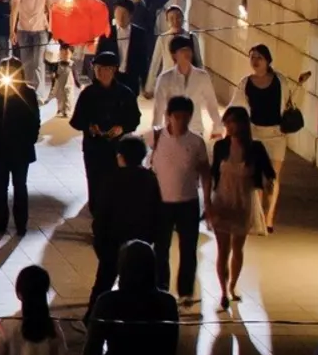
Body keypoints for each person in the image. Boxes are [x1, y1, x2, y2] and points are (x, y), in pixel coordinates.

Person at [228, 43, 306, 231]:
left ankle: (269, 217)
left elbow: (289, 103)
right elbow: (234, 106)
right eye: (252, 57)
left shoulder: (280, 80)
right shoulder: (245, 83)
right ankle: (258, 217)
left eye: (259, 58)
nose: (255, 61)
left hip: (276, 135)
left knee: (272, 178)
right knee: (256, 178)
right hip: (255, 134)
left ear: (267, 61)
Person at [208, 105, 275, 312]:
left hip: (243, 201)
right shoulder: (220, 146)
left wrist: (266, 185)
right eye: (226, 122)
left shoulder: (255, 148)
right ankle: (222, 291)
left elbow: (269, 173)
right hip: (223, 199)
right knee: (222, 249)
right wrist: (209, 204)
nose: (228, 126)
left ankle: (233, 285)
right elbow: (212, 174)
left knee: (237, 247)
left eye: (232, 122)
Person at [149, 95, 212, 306]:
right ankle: (161, 289)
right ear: (168, 116)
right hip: (161, 203)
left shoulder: (196, 142)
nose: (181, 121)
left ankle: (185, 292)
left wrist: (209, 202)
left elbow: (205, 172)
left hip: (188, 202)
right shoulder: (156, 137)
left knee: (188, 249)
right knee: (160, 248)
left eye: (186, 117)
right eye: (177, 116)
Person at [0, 55, 41, 236]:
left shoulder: (28, 93)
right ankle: (1, 222)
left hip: (20, 149)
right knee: (0, 186)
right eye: (4, 71)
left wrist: (30, 140)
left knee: (20, 186)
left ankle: (21, 223)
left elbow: (34, 120)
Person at [72, 46, 141, 217]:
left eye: (106, 69)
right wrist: (89, 127)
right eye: (98, 69)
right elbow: (77, 120)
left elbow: (134, 118)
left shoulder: (125, 93)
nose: (102, 72)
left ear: (114, 70)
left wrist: (122, 128)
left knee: (116, 182)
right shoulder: (87, 94)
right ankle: (96, 215)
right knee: (94, 182)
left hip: (116, 148)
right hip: (93, 147)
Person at [90, 135, 160, 301]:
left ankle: (95, 318)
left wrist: (99, 239)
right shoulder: (150, 179)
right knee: (139, 284)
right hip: (140, 240)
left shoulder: (111, 179)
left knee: (103, 282)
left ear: (120, 156)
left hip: (112, 241)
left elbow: (101, 212)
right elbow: (157, 211)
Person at [149, 33, 223, 140]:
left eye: (188, 49)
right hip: (172, 132)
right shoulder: (165, 78)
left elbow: (211, 103)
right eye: (182, 50)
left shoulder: (202, 76)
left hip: (196, 130)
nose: (187, 53)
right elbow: (158, 109)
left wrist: (218, 127)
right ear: (174, 55)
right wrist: (156, 133)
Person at [8, 0, 55, 94]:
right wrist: (12, 31)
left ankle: (39, 94)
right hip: (23, 30)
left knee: (38, 62)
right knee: (26, 63)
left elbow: (51, 7)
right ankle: (28, 92)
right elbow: (14, 11)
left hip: (41, 30)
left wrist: (52, 28)